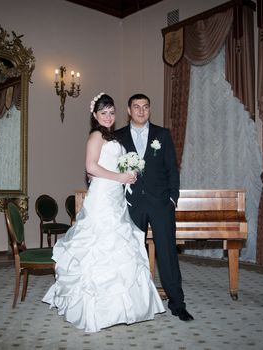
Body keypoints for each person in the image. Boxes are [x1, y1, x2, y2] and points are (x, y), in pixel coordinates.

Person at [42, 93, 165, 333]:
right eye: (103, 113)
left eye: (111, 112)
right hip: (101, 198)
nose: (108, 117)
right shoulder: (96, 135)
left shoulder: (113, 137)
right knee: (99, 245)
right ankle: (95, 310)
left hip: (115, 197)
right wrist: (119, 176)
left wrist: (129, 172)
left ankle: (122, 308)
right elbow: (90, 166)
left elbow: (103, 166)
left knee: (120, 244)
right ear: (95, 116)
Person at [114, 93, 193, 322]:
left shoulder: (162, 134)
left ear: (150, 109)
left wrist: (172, 200)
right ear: (128, 110)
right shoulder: (117, 137)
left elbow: (172, 170)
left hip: (160, 205)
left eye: (145, 107)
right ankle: (131, 303)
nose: (141, 111)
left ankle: (178, 304)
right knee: (129, 255)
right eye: (136, 107)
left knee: (168, 255)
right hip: (131, 205)